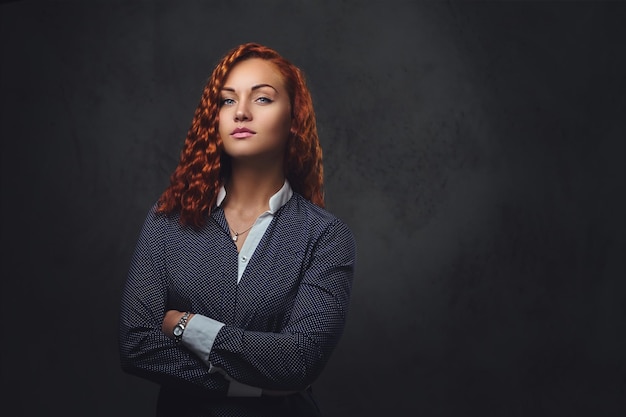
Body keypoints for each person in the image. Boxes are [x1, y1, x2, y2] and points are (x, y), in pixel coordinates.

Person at [119, 42, 356, 417]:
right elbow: (136, 344)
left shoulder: (325, 236)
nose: (241, 112)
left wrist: (187, 326)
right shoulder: (167, 220)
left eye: (262, 99)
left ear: (294, 119)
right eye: (227, 101)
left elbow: (299, 360)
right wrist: (249, 388)